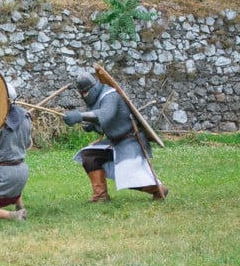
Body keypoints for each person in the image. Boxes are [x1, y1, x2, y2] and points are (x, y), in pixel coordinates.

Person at [63, 71, 167, 202]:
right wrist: (91, 125)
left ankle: (158, 189)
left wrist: (80, 116)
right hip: (114, 141)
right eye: (82, 93)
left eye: (86, 92)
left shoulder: (110, 95)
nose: (84, 95)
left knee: (129, 177)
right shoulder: (97, 98)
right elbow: (104, 122)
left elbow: (105, 115)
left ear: (93, 88)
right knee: (89, 156)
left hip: (130, 140)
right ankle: (100, 195)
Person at [0, 84, 32, 222]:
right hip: (22, 172)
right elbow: (28, 144)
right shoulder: (26, 116)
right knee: (11, 186)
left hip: (3, 174)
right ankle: (19, 205)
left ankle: (12, 215)